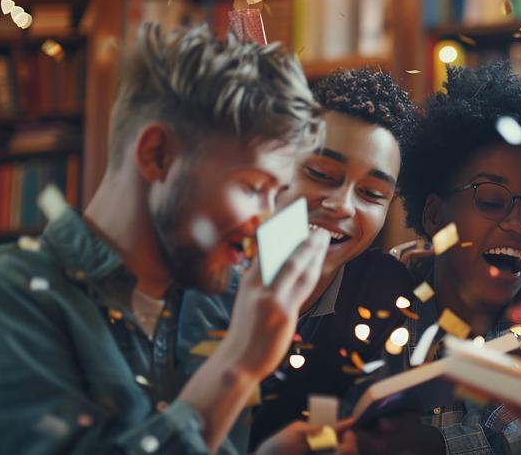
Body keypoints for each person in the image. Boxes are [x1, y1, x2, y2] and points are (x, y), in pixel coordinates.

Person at [0, 24, 345, 455]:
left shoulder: (220, 302)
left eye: (275, 196)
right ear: (157, 155)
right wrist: (236, 366)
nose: (264, 222)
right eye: (252, 187)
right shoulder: (9, 294)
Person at [357, 62, 521, 455]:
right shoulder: (386, 300)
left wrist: (438, 446)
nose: (520, 225)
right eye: (490, 200)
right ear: (435, 216)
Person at [177, 67, 422, 452]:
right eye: (321, 173)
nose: (342, 205)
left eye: (372, 194)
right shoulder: (205, 282)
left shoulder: (382, 291)